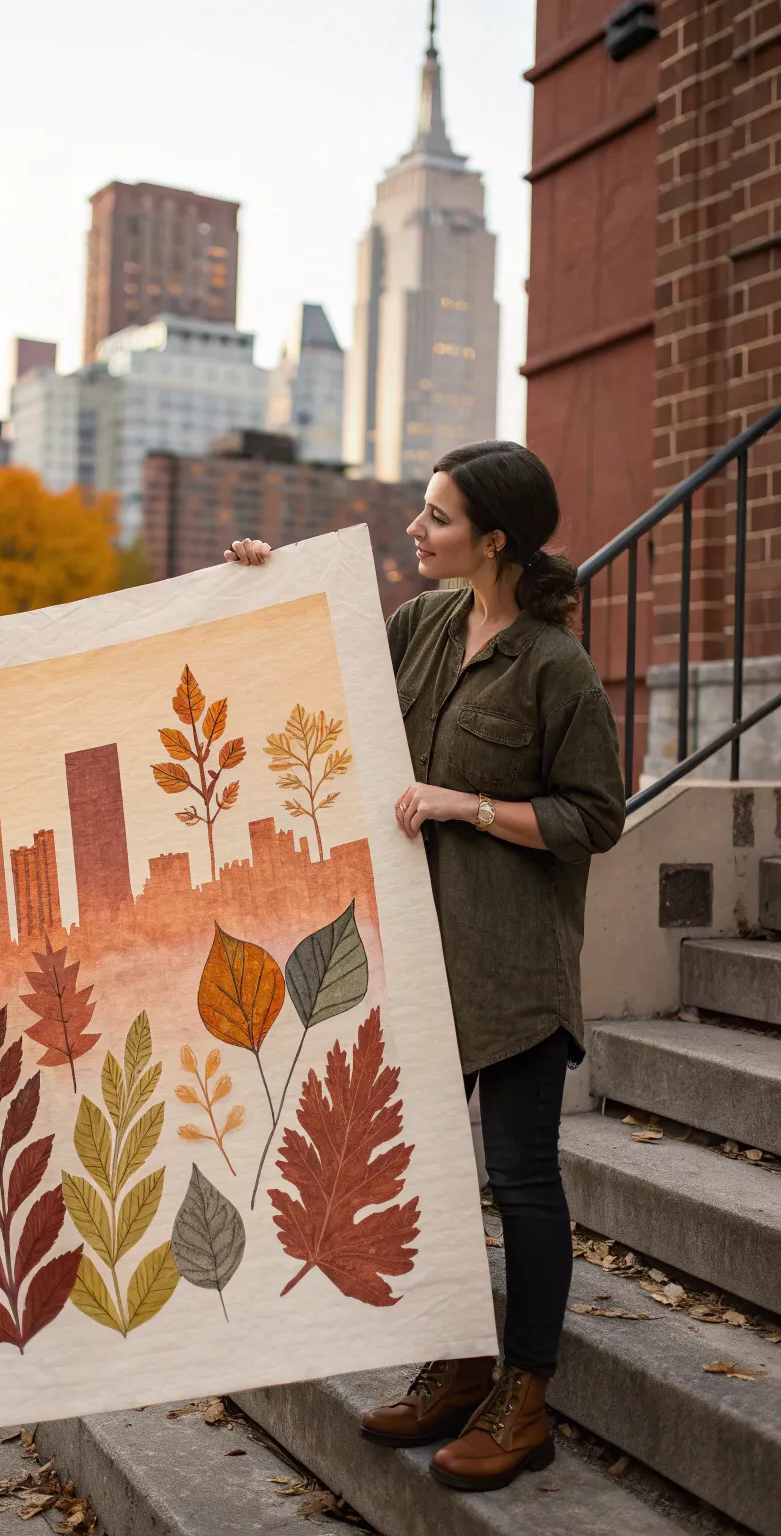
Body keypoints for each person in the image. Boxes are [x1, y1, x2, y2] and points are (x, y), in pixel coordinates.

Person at [225, 440, 625, 1493]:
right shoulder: (422, 625)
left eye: (437, 518)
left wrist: (467, 806)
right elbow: (323, 678)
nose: (416, 529)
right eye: (421, 509)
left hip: (517, 969)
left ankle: (525, 1395)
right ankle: (457, 1364)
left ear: (494, 540)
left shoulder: (554, 665)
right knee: (434, 1179)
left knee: (523, 1183)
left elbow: (595, 818)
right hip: (419, 961)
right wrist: (267, 583)